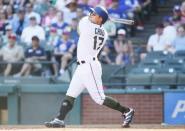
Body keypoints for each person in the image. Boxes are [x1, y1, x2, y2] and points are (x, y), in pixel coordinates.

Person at [45, 6, 134, 128]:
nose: (91, 14)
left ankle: (126, 110)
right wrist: (101, 19)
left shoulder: (86, 25)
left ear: (100, 18)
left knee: (99, 98)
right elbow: (94, 23)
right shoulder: (105, 32)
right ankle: (59, 119)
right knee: (71, 94)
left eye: (94, 14)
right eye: (92, 13)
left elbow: (79, 26)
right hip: (82, 66)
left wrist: (100, 18)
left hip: (90, 66)